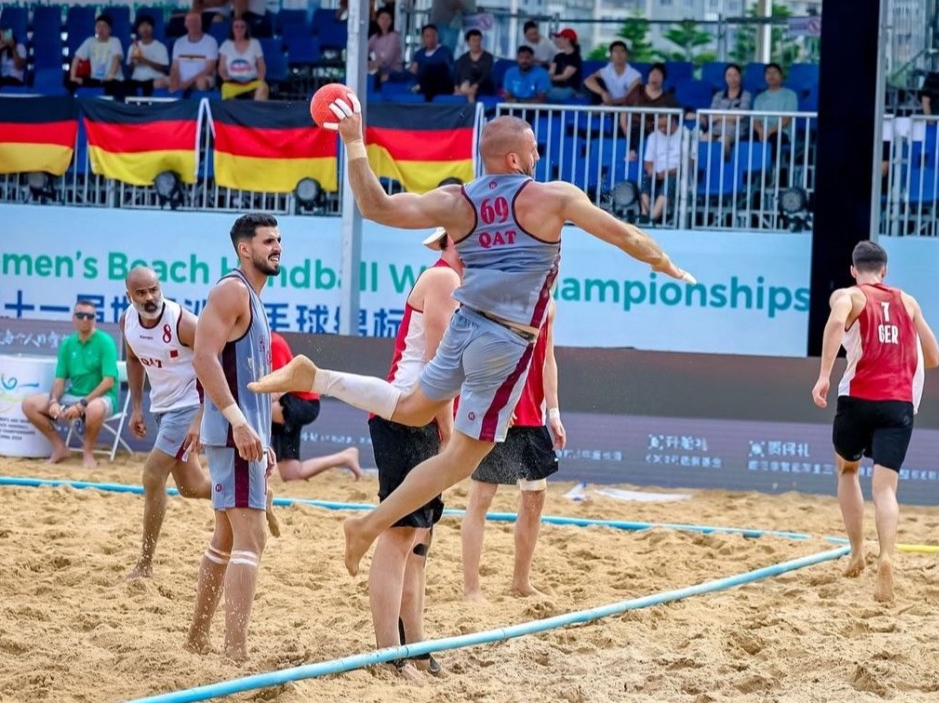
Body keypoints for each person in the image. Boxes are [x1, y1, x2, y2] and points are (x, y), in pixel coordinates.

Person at [248, 96, 694, 580]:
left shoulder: (459, 201)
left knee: (412, 408)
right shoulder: (553, 197)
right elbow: (627, 236)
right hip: (505, 343)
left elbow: (376, 206)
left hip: (465, 324)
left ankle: (318, 377)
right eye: (533, 149)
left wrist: (354, 141)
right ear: (515, 159)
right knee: (461, 459)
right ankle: (366, 526)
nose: (538, 156)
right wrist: (665, 264)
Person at [811, 241, 939, 603]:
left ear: (854, 270)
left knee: (847, 470)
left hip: (858, 397)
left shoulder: (850, 296)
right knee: (885, 490)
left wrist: (823, 376)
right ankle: (887, 556)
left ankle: (857, 551)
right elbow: (934, 357)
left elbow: (835, 324)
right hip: (898, 402)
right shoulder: (907, 301)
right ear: (884, 270)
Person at [368, 227, 462, 679]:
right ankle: (390, 653)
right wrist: (449, 429)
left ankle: (416, 647)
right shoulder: (444, 278)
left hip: (416, 415)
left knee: (419, 540)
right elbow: (437, 363)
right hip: (406, 414)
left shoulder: (454, 280)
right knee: (400, 535)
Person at [186, 213, 280, 663]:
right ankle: (235, 651)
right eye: (268, 241)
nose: (276, 247)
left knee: (225, 537)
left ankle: (197, 638)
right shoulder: (232, 290)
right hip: (233, 435)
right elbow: (203, 358)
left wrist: (262, 438)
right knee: (251, 538)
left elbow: (244, 378)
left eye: (278, 240)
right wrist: (239, 423)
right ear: (245, 249)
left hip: (243, 435)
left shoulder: (253, 298)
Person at [461, 301, 564, 600]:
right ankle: (471, 589)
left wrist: (554, 413)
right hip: (498, 411)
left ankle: (521, 582)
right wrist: (497, 398)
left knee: (535, 498)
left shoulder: (548, 304)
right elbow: (479, 349)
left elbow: (547, 358)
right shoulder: (501, 296)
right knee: (481, 497)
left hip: (532, 415)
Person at [121, 267, 211, 580]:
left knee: (152, 474)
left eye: (154, 289)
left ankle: (145, 563)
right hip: (162, 406)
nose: (150, 297)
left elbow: (215, 364)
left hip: (189, 405)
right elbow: (134, 360)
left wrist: (200, 418)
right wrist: (136, 407)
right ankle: (253, 493)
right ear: (129, 296)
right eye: (141, 292)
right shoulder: (128, 321)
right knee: (192, 488)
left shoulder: (183, 322)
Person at [21, 300, 121, 470]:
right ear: (73, 318)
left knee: (94, 408)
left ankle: (88, 452)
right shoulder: (67, 344)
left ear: (95, 319)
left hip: (102, 398)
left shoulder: (105, 342)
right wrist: (54, 401)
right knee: (29, 404)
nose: (85, 319)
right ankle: (60, 447)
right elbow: (60, 379)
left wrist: (82, 404)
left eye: (89, 316)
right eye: (80, 315)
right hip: (73, 396)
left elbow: (108, 382)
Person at [269, 331, 362, 482]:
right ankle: (345, 457)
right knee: (291, 474)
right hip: (288, 402)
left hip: (303, 402)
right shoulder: (256, 344)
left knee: (256, 410)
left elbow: (279, 386)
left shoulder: (273, 343)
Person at [67, 13, 125, 98]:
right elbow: (76, 58)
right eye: (98, 26)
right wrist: (73, 77)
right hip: (95, 79)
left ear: (110, 29)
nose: (101, 29)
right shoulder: (90, 41)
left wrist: (110, 76)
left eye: (104, 26)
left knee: (112, 86)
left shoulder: (115, 41)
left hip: (113, 79)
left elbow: (117, 58)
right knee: (71, 83)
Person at [704, 63, 752, 157]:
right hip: (716, 130)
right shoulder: (718, 95)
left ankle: (724, 164)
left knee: (722, 141)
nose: (732, 78)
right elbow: (711, 116)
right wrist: (731, 118)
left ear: (740, 77)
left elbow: (741, 115)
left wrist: (719, 117)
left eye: (735, 75)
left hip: (736, 131)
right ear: (725, 78)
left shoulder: (746, 95)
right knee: (703, 139)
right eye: (729, 75)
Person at [169, 11, 219, 97]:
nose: (193, 24)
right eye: (190, 21)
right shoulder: (179, 42)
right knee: (159, 82)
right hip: (181, 79)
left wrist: (187, 83)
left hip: (200, 79)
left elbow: (209, 69)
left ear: (201, 23)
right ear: (185, 24)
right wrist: (175, 81)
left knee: (201, 83)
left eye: (196, 21)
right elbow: (174, 68)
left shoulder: (211, 42)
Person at [218, 16, 267, 100]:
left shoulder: (255, 43)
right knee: (225, 87)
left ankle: (255, 109)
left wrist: (260, 79)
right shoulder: (226, 44)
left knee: (263, 87)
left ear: (246, 29)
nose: (239, 29)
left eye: (242, 27)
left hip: (252, 81)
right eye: (236, 26)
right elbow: (221, 69)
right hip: (233, 82)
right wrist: (226, 79)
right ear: (232, 29)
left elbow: (261, 66)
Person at [584, 40, 641, 106]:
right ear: (611, 55)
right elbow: (588, 81)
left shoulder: (635, 75)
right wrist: (602, 93)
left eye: (622, 51)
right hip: (606, 105)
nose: (619, 55)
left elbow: (629, 98)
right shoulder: (605, 71)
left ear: (627, 55)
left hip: (624, 107)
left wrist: (610, 102)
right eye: (615, 51)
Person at [126, 15, 170, 97]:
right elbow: (129, 69)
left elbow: (164, 68)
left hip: (154, 79)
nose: (145, 28)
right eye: (142, 26)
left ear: (152, 28)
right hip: (137, 79)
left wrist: (145, 61)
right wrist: (133, 63)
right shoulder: (133, 47)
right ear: (138, 29)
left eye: (148, 25)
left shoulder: (160, 47)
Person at [409, 23, 454, 100]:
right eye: (427, 36)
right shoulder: (419, 54)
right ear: (423, 38)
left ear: (437, 37)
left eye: (433, 36)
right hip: (423, 84)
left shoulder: (444, 52)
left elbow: (448, 71)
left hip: (441, 85)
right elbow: (413, 71)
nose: (431, 39)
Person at [368, 9, 411, 87]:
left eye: (387, 19)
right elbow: (364, 51)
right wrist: (367, 64)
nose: (384, 22)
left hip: (393, 74)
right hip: (379, 71)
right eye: (382, 18)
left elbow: (387, 59)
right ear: (377, 20)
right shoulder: (375, 37)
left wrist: (374, 64)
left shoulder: (394, 36)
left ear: (391, 21)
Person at [452, 28, 494, 102]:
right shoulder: (463, 58)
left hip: (482, 86)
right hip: (464, 86)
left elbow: (486, 75)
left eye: (479, 40)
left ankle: (472, 108)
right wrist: (457, 88)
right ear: (468, 42)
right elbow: (457, 75)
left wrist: (475, 86)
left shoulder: (488, 57)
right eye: (474, 40)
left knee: (471, 92)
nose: (477, 43)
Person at [545, 28, 583, 102]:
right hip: (555, 87)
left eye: (560, 38)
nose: (558, 40)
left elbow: (564, 76)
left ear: (567, 40)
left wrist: (549, 78)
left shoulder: (575, 58)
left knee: (544, 94)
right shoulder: (558, 56)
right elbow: (551, 72)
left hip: (570, 89)